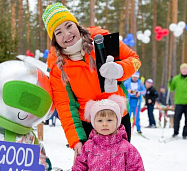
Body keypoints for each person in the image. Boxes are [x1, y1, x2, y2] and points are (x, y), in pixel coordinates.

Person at [43, 3, 141, 156]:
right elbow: (64, 105)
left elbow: (134, 60)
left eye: (69, 26)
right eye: (59, 32)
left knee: (120, 170)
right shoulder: (57, 66)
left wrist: (120, 69)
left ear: (77, 25)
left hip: (117, 119)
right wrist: (76, 139)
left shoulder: (102, 40)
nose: (67, 34)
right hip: (88, 125)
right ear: (55, 39)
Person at [170, 63, 187, 139]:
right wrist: (170, 82)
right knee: (177, 118)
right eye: (183, 69)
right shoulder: (176, 79)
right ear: (180, 70)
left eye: (185, 69)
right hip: (179, 101)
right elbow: (171, 88)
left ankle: (185, 134)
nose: (184, 70)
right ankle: (175, 132)